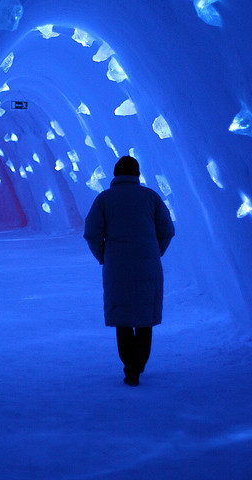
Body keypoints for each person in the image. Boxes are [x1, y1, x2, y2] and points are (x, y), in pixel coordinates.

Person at [84, 155, 175, 386]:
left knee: (122, 318)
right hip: (148, 264)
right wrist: (155, 251)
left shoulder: (104, 199)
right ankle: (139, 363)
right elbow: (167, 230)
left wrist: (104, 255)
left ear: (115, 174)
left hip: (117, 266)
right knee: (145, 318)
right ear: (137, 174)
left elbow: (92, 233)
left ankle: (130, 367)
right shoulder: (151, 197)